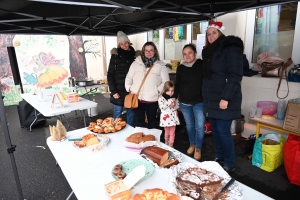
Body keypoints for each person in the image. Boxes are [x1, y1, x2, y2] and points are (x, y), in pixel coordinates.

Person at [201, 21, 244, 173]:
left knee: (223, 131)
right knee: (216, 130)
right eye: (208, 33)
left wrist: (226, 98)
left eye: (214, 33)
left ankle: (230, 162)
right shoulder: (209, 51)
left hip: (225, 99)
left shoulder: (230, 49)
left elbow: (235, 75)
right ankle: (219, 156)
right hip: (212, 99)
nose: (211, 36)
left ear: (220, 33)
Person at [125, 41, 169, 129]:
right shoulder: (135, 63)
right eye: (146, 50)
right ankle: (140, 141)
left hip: (152, 99)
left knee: (152, 121)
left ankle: (152, 141)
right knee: (139, 121)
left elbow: (166, 81)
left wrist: (157, 91)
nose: (149, 53)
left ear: (155, 51)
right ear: (143, 52)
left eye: (151, 50)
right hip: (137, 98)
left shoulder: (160, 65)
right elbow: (128, 77)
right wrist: (129, 88)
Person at [173, 44, 205, 161]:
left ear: (195, 53)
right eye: (185, 54)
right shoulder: (181, 68)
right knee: (190, 126)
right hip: (185, 103)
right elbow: (178, 84)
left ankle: (198, 147)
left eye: (190, 53)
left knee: (200, 127)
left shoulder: (201, 65)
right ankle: (192, 144)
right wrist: (174, 97)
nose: (187, 56)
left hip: (199, 102)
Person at [107, 31, 139, 127]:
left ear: (129, 43)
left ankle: (129, 133)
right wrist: (113, 91)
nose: (124, 45)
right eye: (121, 44)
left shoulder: (136, 56)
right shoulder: (115, 57)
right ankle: (116, 132)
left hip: (131, 90)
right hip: (118, 90)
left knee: (131, 113)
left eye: (125, 43)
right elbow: (110, 75)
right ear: (119, 45)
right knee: (117, 113)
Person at [158, 81, 180, 147]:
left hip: (173, 119)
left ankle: (171, 145)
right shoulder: (161, 98)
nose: (171, 93)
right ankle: (166, 143)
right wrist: (170, 101)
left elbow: (178, 106)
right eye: (168, 91)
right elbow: (162, 107)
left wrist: (174, 104)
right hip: (166, 120)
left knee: (172, 133)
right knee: (166, 132)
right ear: (165, 90)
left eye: (172, 91)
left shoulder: (174, 98)